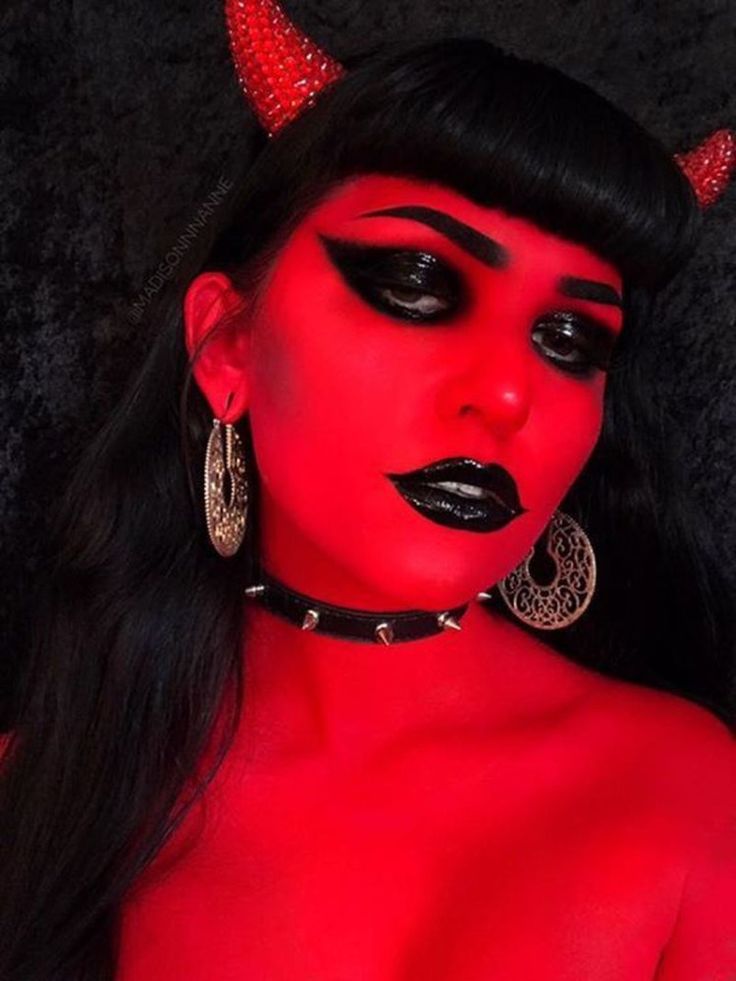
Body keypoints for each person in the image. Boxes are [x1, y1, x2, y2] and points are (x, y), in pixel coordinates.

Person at [1, 1, 735, 978]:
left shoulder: (693, 797)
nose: (506, 392)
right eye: (416, 285)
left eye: (570, 340)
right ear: (227, 343)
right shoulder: (46, 795)